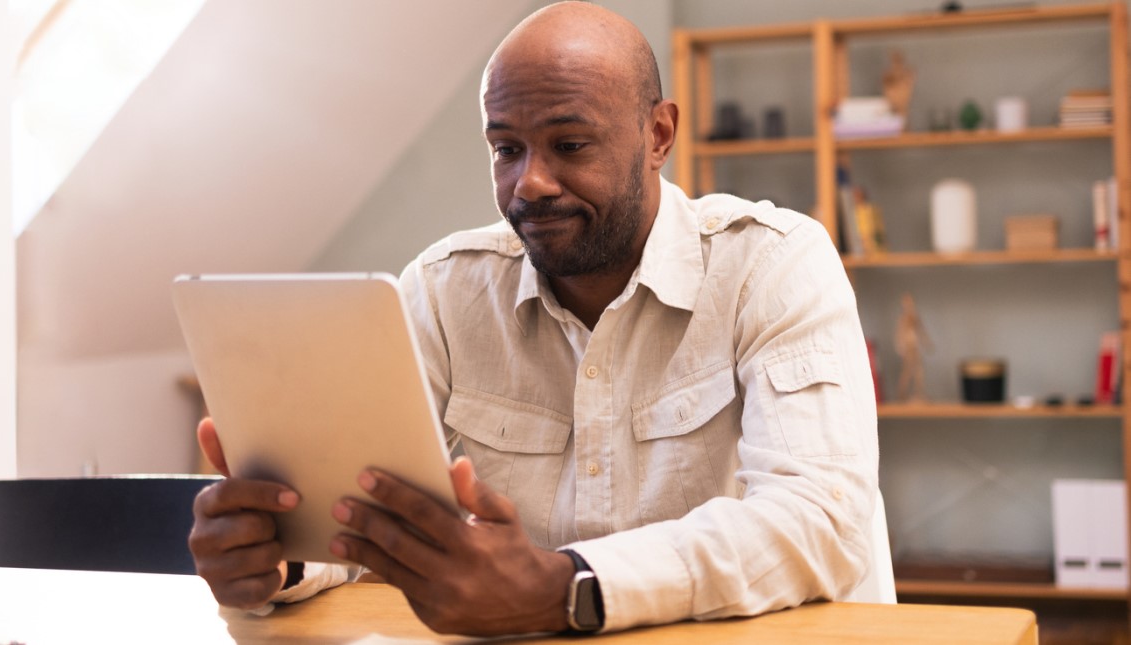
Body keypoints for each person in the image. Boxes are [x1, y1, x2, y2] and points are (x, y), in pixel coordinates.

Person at [189, 1, 879, 636]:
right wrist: (281, 560)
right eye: (506, 148)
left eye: (570, 145)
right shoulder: (441, 290)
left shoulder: (774, 265)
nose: (530, 184)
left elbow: (818, 522)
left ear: (658, 134)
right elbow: (364, 510)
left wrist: (567, 584)